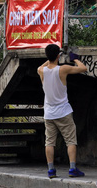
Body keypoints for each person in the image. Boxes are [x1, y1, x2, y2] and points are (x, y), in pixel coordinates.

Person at [37, 44, 88, 179]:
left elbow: (44, 64)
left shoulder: (41, 71)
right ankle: (72, 169)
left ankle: (51, 170)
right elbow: (83, 68)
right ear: (58, 56)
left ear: (47, 56)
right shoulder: (63, 69)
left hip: (49, 113)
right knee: (70, 140)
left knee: (49, 142)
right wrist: (75, 59)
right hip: (64, 111)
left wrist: (50, 58)